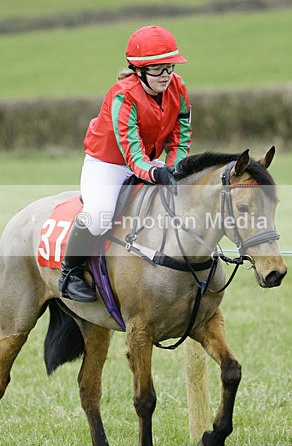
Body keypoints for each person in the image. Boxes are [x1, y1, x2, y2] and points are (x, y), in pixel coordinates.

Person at [59, 24, 192, 302]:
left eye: (169, 67)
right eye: (157, 69)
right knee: (99, 215)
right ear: (139, 70)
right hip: (108, 163)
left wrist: (175, 169)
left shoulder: (178, 88)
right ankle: (70, 273)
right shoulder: (123, 96)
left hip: (149, 160)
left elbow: (181, 139)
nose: (165, 75)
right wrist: (157, 172)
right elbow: (132, 154)